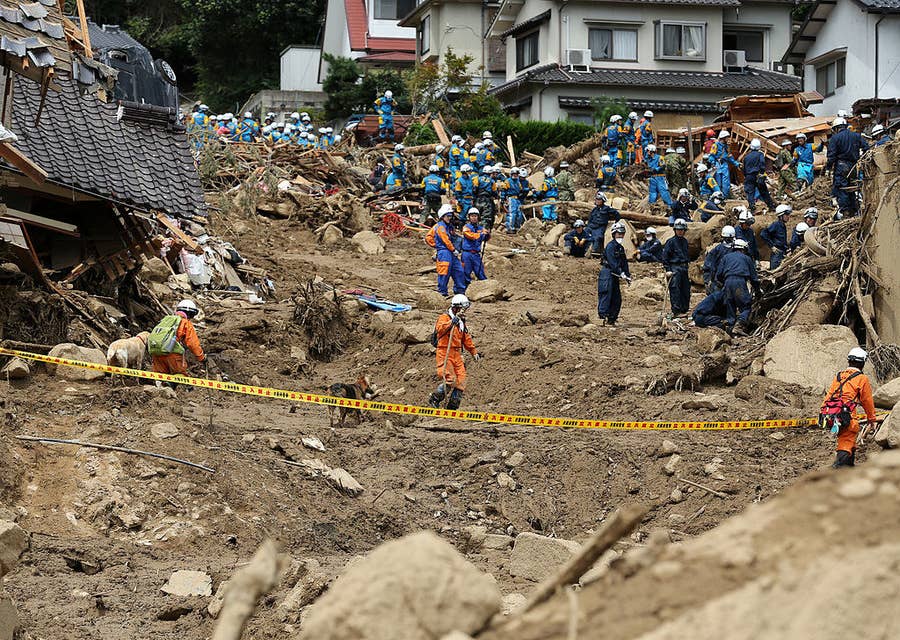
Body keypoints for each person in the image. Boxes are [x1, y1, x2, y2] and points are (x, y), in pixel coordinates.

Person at [820, 347, 877, 468]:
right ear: (862, 363)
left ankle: (849, 467)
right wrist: (872, 419)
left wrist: (823, 412)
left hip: (832, 413)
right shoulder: (862, 378)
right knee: (847, 439)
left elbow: (829, 395)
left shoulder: (839, 376)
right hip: (847, 415)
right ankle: (838, 468)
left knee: (848, 438)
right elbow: (867, 401)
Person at [428, 294, 481, 410]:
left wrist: (473, 352)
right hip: (444, 352)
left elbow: (466, 338)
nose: (464, 311)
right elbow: (440, 328)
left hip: (456, 353)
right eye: (462, 309)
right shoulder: (444, 317)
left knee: (461, 380)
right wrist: (451, 322)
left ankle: (452, 407)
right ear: (456, 307)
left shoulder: (461, 321)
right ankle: (435, 399)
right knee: (450, 378)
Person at [148, 300, 206, 376]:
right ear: (190, 313)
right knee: (179, 376)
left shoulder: (166, 320)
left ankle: (161, 383)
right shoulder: (185, 323)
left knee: (160, 377)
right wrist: (201, 357)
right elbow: (192, 344)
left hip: (156, 352)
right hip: (172, 353)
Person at [827, 117, 868, 217]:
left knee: (842, 189)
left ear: (836, 128)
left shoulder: (835, 138)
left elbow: (831, 156)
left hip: (841, 167)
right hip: (854, 167)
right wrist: (861, 159)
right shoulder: (856, 135)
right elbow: (866, 148)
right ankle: (854, 210)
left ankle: (845, 212)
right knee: (852, 189)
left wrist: (828, 168)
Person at [716, 238, 758, 336]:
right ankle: (739, 325)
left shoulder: (726, 257)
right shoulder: (747, 258)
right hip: (739, 282)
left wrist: (725, 283)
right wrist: (757, 290)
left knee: (730, 305)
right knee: (746, 306)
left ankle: (730, 329)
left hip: (727, 282)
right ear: (744, 249)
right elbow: (754, 278)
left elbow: (718, 275)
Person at [425, 205, 466, 297]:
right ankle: (442, 293)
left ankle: (460, 292)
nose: (449, 218)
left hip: (451, 252)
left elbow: (453, 238)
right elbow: (445, 240)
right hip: (445, 252)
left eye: (450, 216)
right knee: (444, 272)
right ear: (442, 216)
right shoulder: (440, 227)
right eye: (448, 216)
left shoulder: (449, 227)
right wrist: (448, 248)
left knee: (458, 271)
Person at [597, 222, 631, 326]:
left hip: (615, 275)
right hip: (607, 272)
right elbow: (613, 263)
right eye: (619, 234)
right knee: (606, 294)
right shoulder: (610, 247)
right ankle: (602, 317)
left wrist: (627, 275)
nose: (621, 236)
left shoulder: (620, 248)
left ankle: (612, 319)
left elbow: (624, 262)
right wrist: (621, 273)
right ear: (614, 234)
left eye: (622, 234)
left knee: (616, 298)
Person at [662, 219, 691, 316]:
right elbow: (665, 257)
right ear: (675, 230)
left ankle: (684, 310)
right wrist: (668, 269)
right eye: (678, 230)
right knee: (675, 290)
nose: (680, 232)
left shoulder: (685, 242)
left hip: (684, 268)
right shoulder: (670, 242)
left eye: (681, 230)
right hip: (674, 268)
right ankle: (676, 311)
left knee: (685, 289)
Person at [743, 138, 775, 212]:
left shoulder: (746, 156)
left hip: (749, 176)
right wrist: (762, 173)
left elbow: (744, 168)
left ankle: (752, 207)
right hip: (758, 175)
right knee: (764, 191)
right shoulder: (760, 155)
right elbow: (762, 164)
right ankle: (771, 206)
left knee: (750, 192)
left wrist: (746, 176)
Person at [703, 225, 736, 293]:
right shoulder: (717, 249)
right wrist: (708, 281)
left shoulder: (735, 249)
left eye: (729, 239)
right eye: (727, 238)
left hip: (730, 280)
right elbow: (707, 267)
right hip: (718, 282)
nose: (728, 240)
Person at [461, 207, 490, 284]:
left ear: (478, 217)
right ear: (469, 217)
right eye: (472, 216)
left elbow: (485, 238)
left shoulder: (481, 228)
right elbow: (470, 236)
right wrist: (481, 234)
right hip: (467, 254)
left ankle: (485, 286)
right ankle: (464, 288)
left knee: (480, 271)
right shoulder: (466, 227)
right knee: (465, 272)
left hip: (476, 254)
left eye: (475, 216)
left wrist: (487, 234)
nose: (474, 218)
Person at [586, 191, 620, 257]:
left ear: (603, 200)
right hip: (592, 226)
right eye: (597, 199)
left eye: (599, 199)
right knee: (584, 234)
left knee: (597, 237)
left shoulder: (607, 208)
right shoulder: (594, 209)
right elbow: (590, 219)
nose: (597, 201)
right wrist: (588, 226)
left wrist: (616, 222)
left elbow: (616, 214)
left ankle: (594, 251)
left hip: (600, 227)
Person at [709, 130, 740, 197]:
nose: (728, 139)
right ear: (723, 138)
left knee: (726, 183)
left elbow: (729, 157)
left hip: (724, 165)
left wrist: (736, 163)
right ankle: (718, 196)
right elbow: (711, 156)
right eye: (727, 137)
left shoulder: (727, 147)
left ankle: (725, 196)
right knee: (718, 183)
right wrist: (713, 163)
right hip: (717, 165)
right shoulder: (715, 145)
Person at [761, 204, 791, 270]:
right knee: (775, 270)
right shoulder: (776, 225)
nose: (788, 216)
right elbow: (763, 234)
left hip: (783, 252)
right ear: (781, 216)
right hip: (777, 253)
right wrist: (772, 246)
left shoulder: (783, 226)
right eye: (786, 214)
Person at [503, 167, 528, 233]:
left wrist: (524, 191)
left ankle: (517, 227)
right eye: (514, 174)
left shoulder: (518, 181)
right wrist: (503, 199)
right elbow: (504, 190)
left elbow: (520, 189)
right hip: (511, 198)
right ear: (511, 174)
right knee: (512, 213)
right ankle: (510, 227)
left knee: (519, 213)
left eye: (516, 174)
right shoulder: (508, 181)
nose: (515, 175)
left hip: (517, 198)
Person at [474, 165, 498, 230]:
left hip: (478, 199)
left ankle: (475, 229)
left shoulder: (478, 179)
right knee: (486, 216)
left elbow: (474, 189)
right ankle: (484, 230)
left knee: (476, 214)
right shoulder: (492, 181)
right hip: (487, 200)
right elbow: (494, 192)